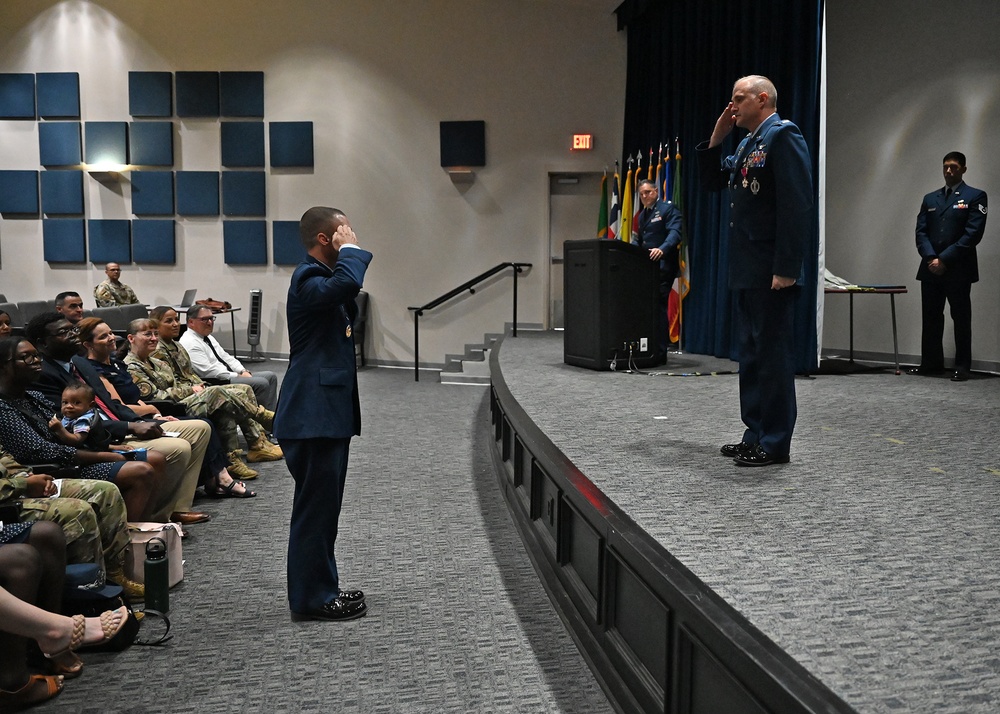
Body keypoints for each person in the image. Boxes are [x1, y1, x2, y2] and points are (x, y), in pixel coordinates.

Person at [696, 75, 813, 467]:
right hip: (747, 269)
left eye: (739, 98)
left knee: (773, 356)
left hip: (771, 271)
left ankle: (776, 441)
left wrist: (786, 268)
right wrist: (717, 137)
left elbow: (797, 209)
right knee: (751, 356)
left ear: (763, 99)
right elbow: (713, 180)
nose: (732, 105)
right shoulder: (748, 143)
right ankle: (756, 433)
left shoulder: (783, 137)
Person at [276, 206, 372, 622]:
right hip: (311, 416)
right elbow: (348, 281)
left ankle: (322, 587)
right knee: (315, 511)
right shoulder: (307, 278)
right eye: (343, 230)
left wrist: (345, 251)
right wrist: (349, 249)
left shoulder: (323, 282)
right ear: (324, 238)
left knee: (323, 509)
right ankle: (313, 598)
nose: (351, 234)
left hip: (323, 415)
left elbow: (347, 293)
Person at [25, 313, 211, 525]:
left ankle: (176, 507)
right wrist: (129, 426)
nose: (72, 335)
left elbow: (110, 403)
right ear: (42, 343)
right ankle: (159, 517)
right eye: (63, 333)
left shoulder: (79, 363)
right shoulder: (42, 375)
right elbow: (71, 421)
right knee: (178, 448)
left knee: (200, 428)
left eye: (73, 330)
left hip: (118, 423)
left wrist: (138, 421)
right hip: (100, 437)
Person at [0, 336, 159, 522]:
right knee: (141, 472)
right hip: (53, 470)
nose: (36, 361)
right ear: (3, 365)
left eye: (37, 356)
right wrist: (104, 456)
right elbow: (42, 451)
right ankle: (130, 540)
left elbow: (67, 429)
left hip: (73, 456)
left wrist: (109, 448)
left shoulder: (33, 396)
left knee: (155, 458)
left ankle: (154, 528)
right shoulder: (3, 407)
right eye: (27, 357)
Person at [124, 317, 276, 483]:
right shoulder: (131, 366)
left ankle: (233, 460)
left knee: (229, 402)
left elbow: (182, 379)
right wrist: (191, 390)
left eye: (155, 334)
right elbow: (154, 397)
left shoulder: (158, 363)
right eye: (147, 334)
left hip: (186, 399)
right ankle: (261, 416)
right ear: (131, 338)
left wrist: (198, 386)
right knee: (217, 394)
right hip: (170, 410)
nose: (154, 338)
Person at [0, 453, 144, 600]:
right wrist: (24, 485)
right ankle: (90, 595)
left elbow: (3, 457)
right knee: (78, 511)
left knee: (106, 492)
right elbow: (36, 448)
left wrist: (25, 476)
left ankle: (114, 576)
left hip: (15, 483)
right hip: (6, 499)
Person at [909, 151, 988, 382]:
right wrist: (932, 258)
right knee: (931, 317)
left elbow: (972, 234)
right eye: (945, 166)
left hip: (958, 269)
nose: (948, 171)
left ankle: (962, 366)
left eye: (954, 167)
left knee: (961, 318)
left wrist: (944, 260)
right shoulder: (930, 198)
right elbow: (921, 232)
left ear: (963, 169)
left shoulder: (976, 196)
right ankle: (931, 364)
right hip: (930, 268)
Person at [180, 305, 279, 412]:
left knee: (270, 376)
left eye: (211, 318)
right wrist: (238, 376)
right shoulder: (190, 342)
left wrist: (242, 370)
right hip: (216, 381)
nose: (210, 322)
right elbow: (209, 372)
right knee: (261, 383)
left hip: (227, 375)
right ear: (191, 322)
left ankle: (272, 421)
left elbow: (225, 357)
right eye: (204, 319)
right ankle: (261, 423)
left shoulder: (206, 337)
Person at [634, 178, 684, 359]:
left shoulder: (668, 209)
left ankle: (660, 352)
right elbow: (640, 240)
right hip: (646, 268)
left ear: (656, 191)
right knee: (650, 308)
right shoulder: (642, 215)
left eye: (648, 192)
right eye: (641, 194)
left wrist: (662, 249)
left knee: (658, 307)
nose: (645, 196)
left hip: (663, 266)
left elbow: (675, 233)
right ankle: (651, 348)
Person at [49, 384, 115, 451]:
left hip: (87, 453)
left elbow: (77, 440)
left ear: (90, 405)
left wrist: (60, 429)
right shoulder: (74, 415)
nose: (69, 406)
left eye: (76, 403)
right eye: (65, 402)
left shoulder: (82, 420)